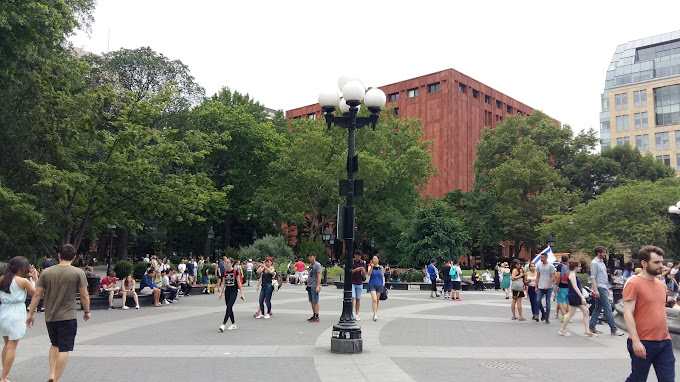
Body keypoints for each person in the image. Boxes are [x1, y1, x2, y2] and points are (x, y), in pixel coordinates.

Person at [26, 244, 90, 382]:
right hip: (68, 316)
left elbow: (37, 294)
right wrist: (86, 311)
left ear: (59, 255)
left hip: (50, 315)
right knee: (64, 348)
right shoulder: (78, 273)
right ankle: (57, 379)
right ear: (74, 257)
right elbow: (84, 296)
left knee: (54, 344)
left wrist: (30, 313)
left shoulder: (46, 272)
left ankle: (51, 373)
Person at [623, 245, 675, 381]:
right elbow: (627, 313)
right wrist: (636, 341)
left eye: (662, 262)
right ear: (644, 263)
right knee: (638, 379)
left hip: (664, 341)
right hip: (643, 341)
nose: (661, 266)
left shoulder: (661, 285)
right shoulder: (634, 283)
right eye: (656, 262)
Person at [0, 257, 37, 382]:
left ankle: (4, 373)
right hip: (16, 313)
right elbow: (36, 293)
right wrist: (35, 278)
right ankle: (4, 377)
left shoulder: (2, 279)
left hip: (3, 312)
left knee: (6, 344)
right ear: (22, 269)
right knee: (12, 346)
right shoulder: (23, 281)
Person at [589, 246, 625, 336]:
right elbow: (593, 277)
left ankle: (592, 327)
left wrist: (607, 287)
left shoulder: (601, 263)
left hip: (603, 287)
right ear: (598, 253)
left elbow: (603, 276)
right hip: (600, 287)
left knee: (598, 308)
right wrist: (596, 290)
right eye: (603, 252)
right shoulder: (595, 263)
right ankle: (613, 329)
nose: (605, 254)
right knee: (607, 308)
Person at [558, 261, 596, 337]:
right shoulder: (572, 275)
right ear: (575, 267)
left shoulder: (573, 274)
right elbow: (575, 287)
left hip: (575, 295)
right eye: (579, 266)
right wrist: (582, 297)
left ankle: (587, 331)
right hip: (574, 296)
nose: (580, 268)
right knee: (571, 313)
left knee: (586, 311)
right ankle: (562, 329)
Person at [218, 257, 244, 332]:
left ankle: (223, 324)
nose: (226, 264)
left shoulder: (236, 272)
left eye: (228, 262)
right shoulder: (225, 272)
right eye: (225, 262)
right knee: (229, 308)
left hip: (234, 291)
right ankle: (233, 324)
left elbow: (239, 283)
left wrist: (242, 293)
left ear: (232, 263)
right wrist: (220, 293)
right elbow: (223, 283)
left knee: (229, 307)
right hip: (227, 292)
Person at [535, 253, 556, 324]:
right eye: (540, 257)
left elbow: (553, 277)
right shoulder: (539, 266)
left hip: (548, 287)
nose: (541, 259)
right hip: (540, 286)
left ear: (546, 258)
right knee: (538, 301)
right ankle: (543, 313)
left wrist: (548, 285)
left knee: (547, 302)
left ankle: (547, 317)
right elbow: (537, 276)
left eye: (542, 257)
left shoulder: (551, 266)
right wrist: (536, 286)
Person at [367, 255, 385, 321]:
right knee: (374, 299)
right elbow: (369, 274)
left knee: (377, 300)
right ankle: (375, 314)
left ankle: (375, 313)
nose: (375, 260)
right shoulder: (370, 266)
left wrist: (383, 283)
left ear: (378, 260)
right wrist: (371, 267)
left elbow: (382, 276)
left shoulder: (381, 267)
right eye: (373, 259)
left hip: (379, 285)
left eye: (376, 259)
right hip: (372, 285)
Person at [306, 253, 322, 322]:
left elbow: (319, 276)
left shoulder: (317, 265)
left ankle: (317, 316)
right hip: (309, 284)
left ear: (314, 257)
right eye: (308, 257)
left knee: (315, 301)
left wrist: (317, 286)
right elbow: (310, 274)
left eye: (311, 257)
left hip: (314, 285)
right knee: (311, 301)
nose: (309, 258)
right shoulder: (311, 265)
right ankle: (314, 314)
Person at [351, 251, 366, 320]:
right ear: (355, 255)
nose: (358, 257)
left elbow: (364, 274)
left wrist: (363, 271)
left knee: (358, 299)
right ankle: (351, 313)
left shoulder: (362, 263)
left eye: (360, 256)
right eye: (357, 256)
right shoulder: (352, 262)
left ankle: (356, 314)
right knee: (352, 298)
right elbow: (349, 272)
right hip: (352, 282)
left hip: (359, 282)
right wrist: (356, 270)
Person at [555, 254, 570, 322]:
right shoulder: (569, 266)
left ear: (561, 259)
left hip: (562, 285)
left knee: (560, 301)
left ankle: (564, 315)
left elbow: (558, 276)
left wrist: (557, 285)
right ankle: (568, 315)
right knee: (567, 301)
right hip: (569, 285)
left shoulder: (560, 266)